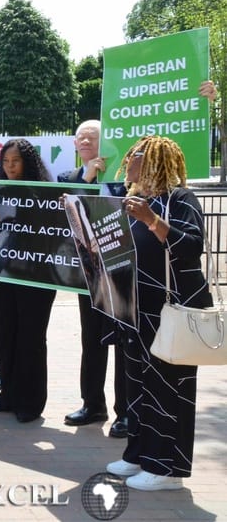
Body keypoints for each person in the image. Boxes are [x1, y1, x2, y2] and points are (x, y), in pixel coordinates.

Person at [105, 136, 211, 491]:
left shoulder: (180, 199)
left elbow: (192, 245)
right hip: (138, 309)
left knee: (168, 386)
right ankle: (138, 453)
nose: (128, 161)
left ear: (152, 161)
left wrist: (152, 220)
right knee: (137, 385)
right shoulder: (140, 201)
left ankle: (166, 468)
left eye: (135, 156)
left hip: (171, 310)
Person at [58, 119, 128, 438]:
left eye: (92, 136)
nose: (85, 140)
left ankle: (125, 411)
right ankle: (92, 404)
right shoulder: (67, 179)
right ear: (75, 145)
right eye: (80, 137)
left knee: (123, 343)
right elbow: (69, 217)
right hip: (89, 274)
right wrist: (86, 180)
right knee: (92, 340)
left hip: (122, 271)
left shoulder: (123, 178)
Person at [0, 138, 57, 423]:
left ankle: (31, 401)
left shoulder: (46, 193)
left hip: (37, 275)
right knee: (6, 334)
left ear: (28, 162)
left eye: (15, 161)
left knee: (31, 338)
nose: (10, 167)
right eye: (5, 162)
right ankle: (8, 395)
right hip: (5, 273)